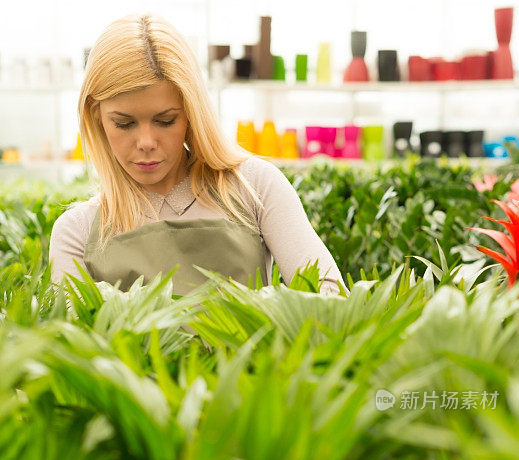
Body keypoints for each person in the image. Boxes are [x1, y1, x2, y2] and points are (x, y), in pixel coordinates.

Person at [49, 13, 348, 297]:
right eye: (124, 123)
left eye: (165, 120)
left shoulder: (254, 187)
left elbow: (331, 303)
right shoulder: (77, 233)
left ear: (192, 113)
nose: (146, 142)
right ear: (95, 115)